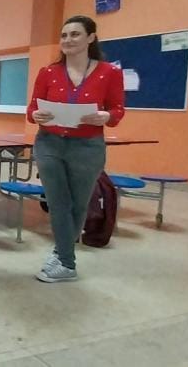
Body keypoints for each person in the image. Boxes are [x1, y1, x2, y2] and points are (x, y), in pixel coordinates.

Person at [26, 15, 125, 283]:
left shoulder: (110, 72)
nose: (68, 40)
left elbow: (117, 109)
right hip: (50, 143)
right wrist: (35, 115)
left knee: (78, 204)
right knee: (58, 202)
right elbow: (32, 108)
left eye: (75, 34)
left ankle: (61, 253)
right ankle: (67, 264)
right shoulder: (48, 72)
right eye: (64, 35)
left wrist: (106, 116)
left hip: (87, 146)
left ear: (91, 37)